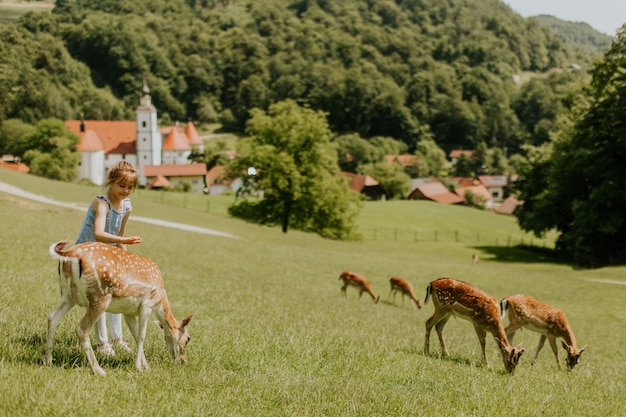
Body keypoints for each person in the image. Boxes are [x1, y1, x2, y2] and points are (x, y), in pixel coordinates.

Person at [75, 161, 143, 356]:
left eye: (130, 187)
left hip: (107, 254)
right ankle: (103, 343)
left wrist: (128, 259)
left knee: (118, 292)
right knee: (102, 297)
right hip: (87, 253)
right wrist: (124, 240)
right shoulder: (101, 202)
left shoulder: (127, 206)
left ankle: (117, 339)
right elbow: (99, 233)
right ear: (110, 182)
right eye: (122, 186)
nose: (126, 190)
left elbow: (119, 234)